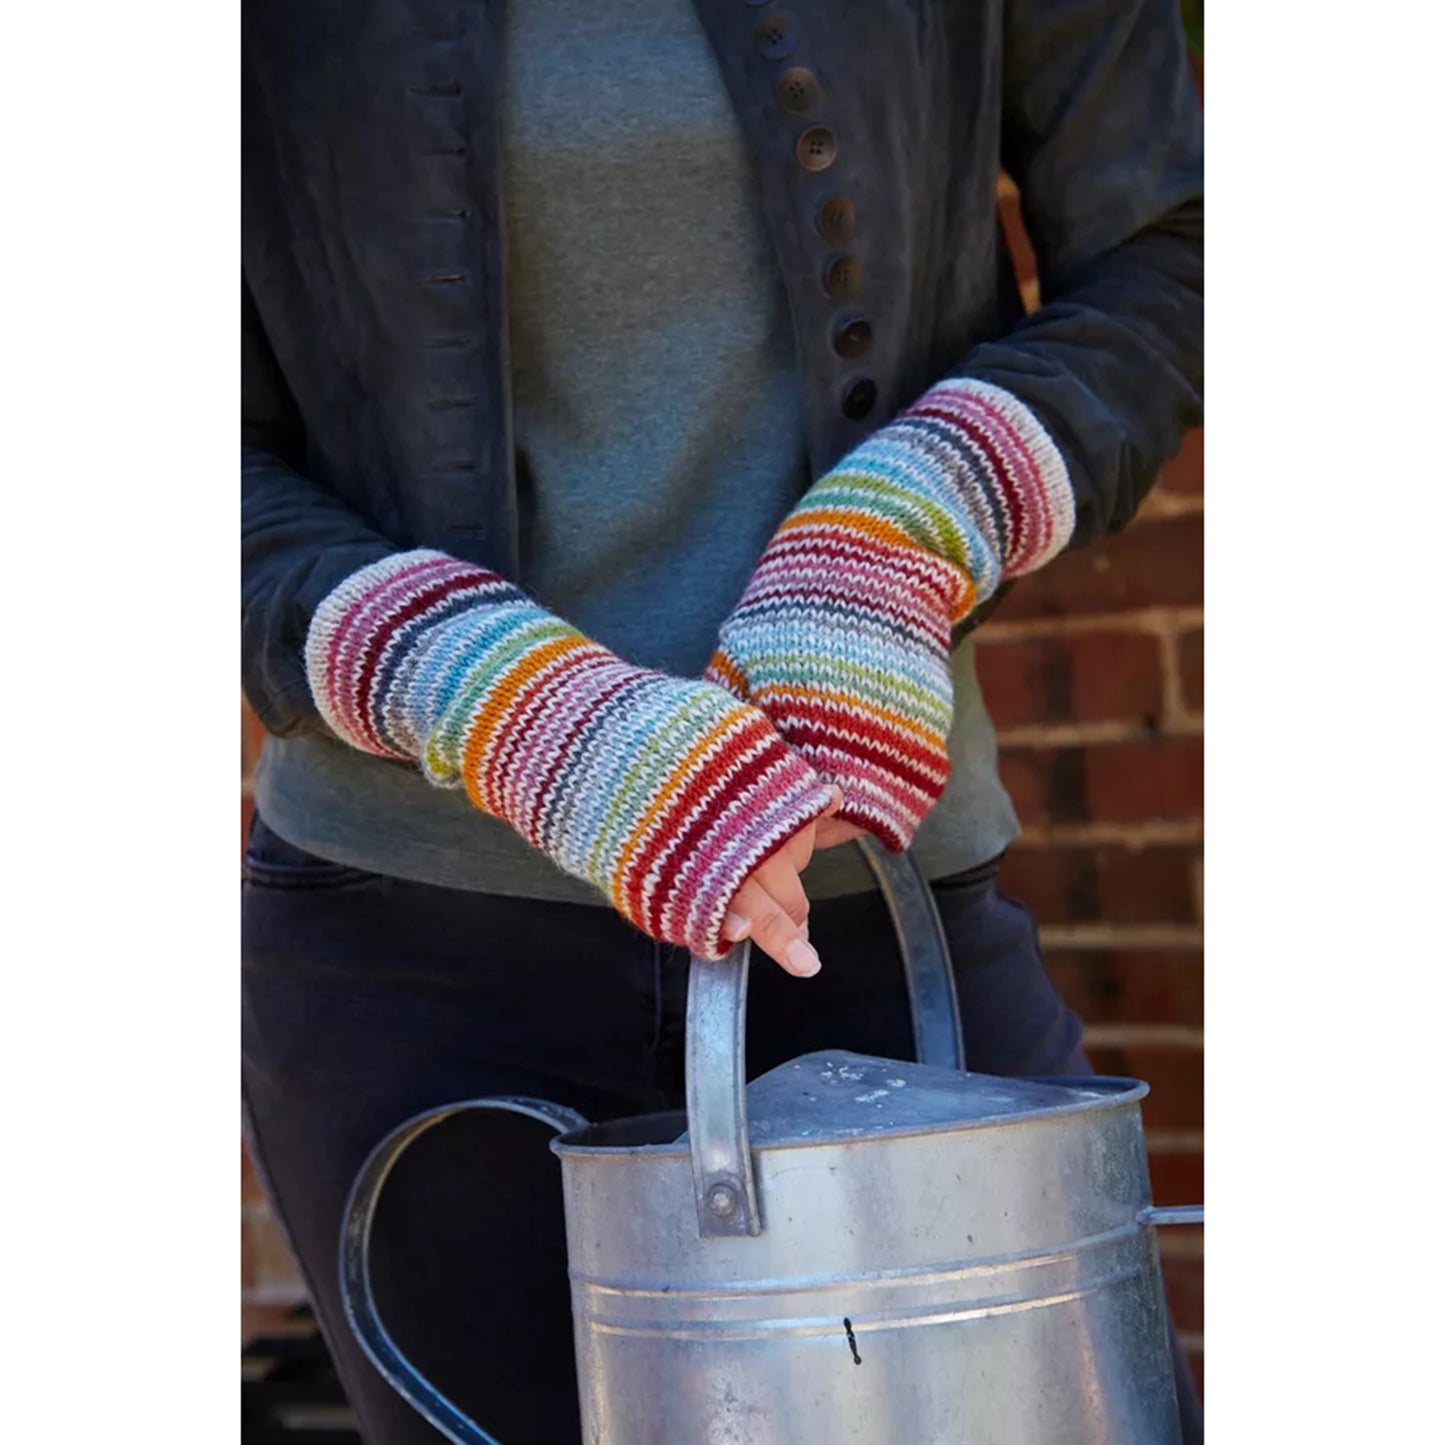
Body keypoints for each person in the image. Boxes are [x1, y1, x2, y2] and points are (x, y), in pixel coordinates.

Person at [242, 1, 1204, 1440]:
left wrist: (910, 522)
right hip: (416, 964)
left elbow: (1171, 251)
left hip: (877, 915)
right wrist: (484, 688)